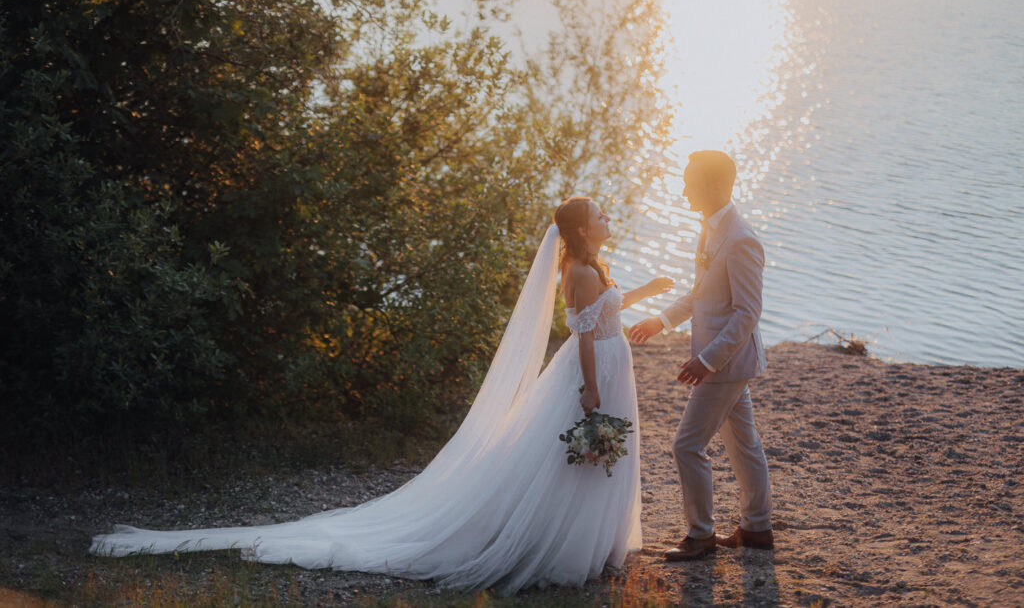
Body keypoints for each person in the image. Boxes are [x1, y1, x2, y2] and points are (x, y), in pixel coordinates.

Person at [90, 197, 673, 595]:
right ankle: (558, 546)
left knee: (591, 456)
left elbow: (606, 310)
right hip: (594, 371)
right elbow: (584, 335)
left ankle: (592, 543)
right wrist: (591, 387)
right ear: (577, 229)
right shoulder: (580, 272)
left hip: (611, 363)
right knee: (574, 454)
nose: (605, 217)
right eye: (597, 213)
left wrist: (649, 288)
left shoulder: (594, 266)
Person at [630, 149, 774, 561]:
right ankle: (757, 529)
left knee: (686, 446)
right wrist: (661, 320)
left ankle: (701, 535)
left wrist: (707, 360)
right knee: (744, 444)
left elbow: (748, 313)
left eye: (689, 180)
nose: (683, 188)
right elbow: (701, 295)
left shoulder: (742, 239)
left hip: (726, 365)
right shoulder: (710, 229)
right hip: (725, 363)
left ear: (714, 186)